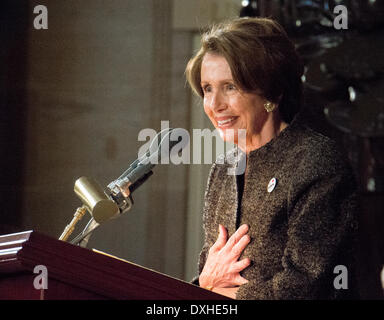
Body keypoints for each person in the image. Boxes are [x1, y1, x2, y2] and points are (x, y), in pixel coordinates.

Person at [185, 17, 359, 299]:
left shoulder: (317, 163)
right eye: (207, 89)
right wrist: (202, 285)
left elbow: (305, 286)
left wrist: (217, 292)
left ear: (273, 92)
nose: (215, 105)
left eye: (230, 86)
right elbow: (210, 273)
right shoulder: (223, 169)